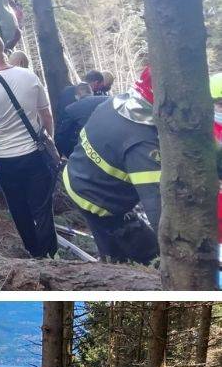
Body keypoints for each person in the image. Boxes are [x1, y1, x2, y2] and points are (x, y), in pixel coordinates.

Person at [61, 66, 165, 264]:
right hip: (99, 199)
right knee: (142, 255)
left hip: (78, 176)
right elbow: (159, 208)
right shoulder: (142, 144)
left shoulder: (115, 103)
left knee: (115, 249)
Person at [0, 33, 58, 259]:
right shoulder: (29, 76)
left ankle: (34, 252)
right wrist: (51, 140)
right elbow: (46, 115)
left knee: (19, 207)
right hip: (35, 153)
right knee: (42, 206)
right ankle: (51, 253)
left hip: (5, 159)